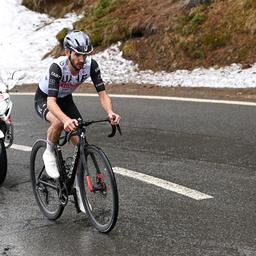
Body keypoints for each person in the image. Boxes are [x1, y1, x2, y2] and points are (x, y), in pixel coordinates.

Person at [34, 30, 121, 179]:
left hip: (65, 99)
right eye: (77, 55)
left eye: (85, 55)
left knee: (80, 141)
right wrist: (65, 120)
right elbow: (51, 102)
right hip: (45, 98)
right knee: (58, 122)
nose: (82, 59)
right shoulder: (57, 67)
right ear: (67, 52)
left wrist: (110, 112)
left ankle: (77, 187)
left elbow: (103, 94)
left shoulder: (91, 65)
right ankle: (48, 153)